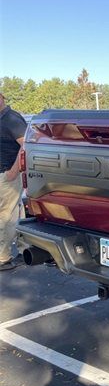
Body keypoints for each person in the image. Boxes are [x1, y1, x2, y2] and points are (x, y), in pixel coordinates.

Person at [0, 92, 27, 271]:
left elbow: (26, 144)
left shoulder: (12, 119)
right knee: (17, 213)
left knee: (6, 216)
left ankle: (3, 257)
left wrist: (13, 171)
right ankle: (27, 249)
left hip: (7, 175)